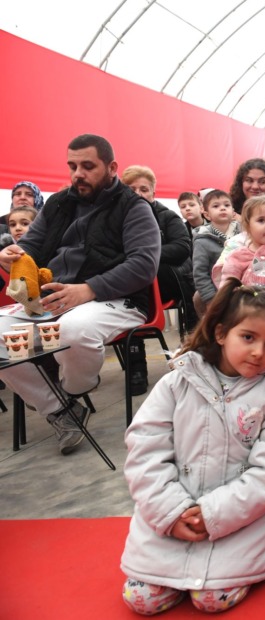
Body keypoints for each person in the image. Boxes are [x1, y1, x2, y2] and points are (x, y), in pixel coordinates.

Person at [120, 280, 265, 615]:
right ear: (221, 333)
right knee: (141, 600)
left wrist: (215, 513)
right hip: (175, 513)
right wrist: (171, 512)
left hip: (241, 518)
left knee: (211, 600)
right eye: (248, 337)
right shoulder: (177, 382)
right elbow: (145, 450)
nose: (258, 351)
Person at [0, 134, 160, 455]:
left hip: (117, 299)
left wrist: (88, 289)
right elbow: (32, 247)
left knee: (71, 330)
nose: (78, 174)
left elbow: (144, 266)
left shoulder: (134, 207)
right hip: (55, 298)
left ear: (111, 167)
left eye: (88, 166)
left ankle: (75, 388)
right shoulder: (58, 203)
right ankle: (62, 410)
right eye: (72, 166)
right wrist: (13, 254)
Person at [122, 165, 197, 394]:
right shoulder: (114, 220)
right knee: (126, 290)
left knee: (133, 283)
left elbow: (182, 248)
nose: (138, 194)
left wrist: (143, 256)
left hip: (166, 282)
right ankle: (135, 363)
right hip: (132, 286)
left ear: (153, 193)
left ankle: (139, 365)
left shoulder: (167, 216)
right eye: (132, 189)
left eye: (144, 189)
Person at [192, 190, 239, 315]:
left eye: (226, 205)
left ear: (233, 212)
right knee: (198, 297)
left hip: (243, 286)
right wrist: (210, 299)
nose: (222, 208)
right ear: (207, 215)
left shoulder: (244, 234)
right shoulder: (202, 241)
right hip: (216, 289)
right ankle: (210, 325)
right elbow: (200, 273)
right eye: (216, 206)